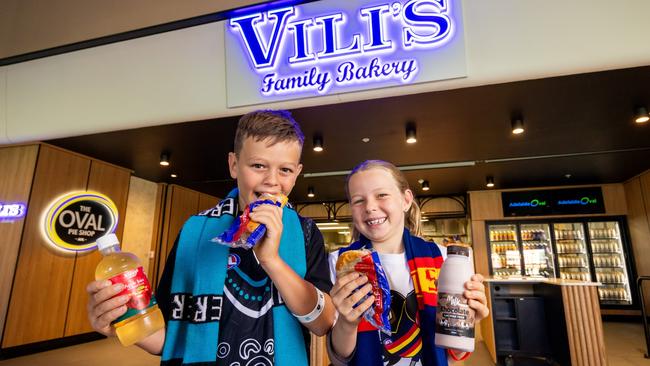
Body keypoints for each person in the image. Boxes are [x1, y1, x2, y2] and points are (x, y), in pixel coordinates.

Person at [86, 110, 335, 365]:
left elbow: (323, 323)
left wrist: (271, 260)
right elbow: (166, 339)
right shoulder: (194, 232)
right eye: (258, 165)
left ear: (297, 174)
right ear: (234, 165)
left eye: (285, 169)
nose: (272, 181)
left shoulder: (305, 232)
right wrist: (120, 318)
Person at [327, 160, 489, 366]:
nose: (369, 207)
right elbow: (339, 359)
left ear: (406, 200)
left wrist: (465, 324)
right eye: (358, 200)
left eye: (381, 195)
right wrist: (347, 323)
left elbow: (453, 355)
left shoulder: (442, 259)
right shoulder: (339, 263)